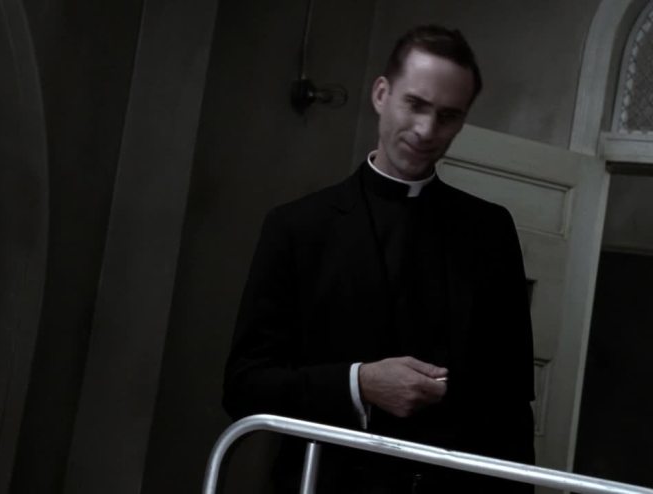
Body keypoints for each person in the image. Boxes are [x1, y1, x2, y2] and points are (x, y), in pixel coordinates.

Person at [222, 24, 535, 493]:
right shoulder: (297, 227)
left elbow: (512, 405)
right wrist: (359, 383)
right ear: (381, 94)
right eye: (416, 104)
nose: (427, 130)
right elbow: (245, 386)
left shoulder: (490, 231)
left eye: (448, 116)